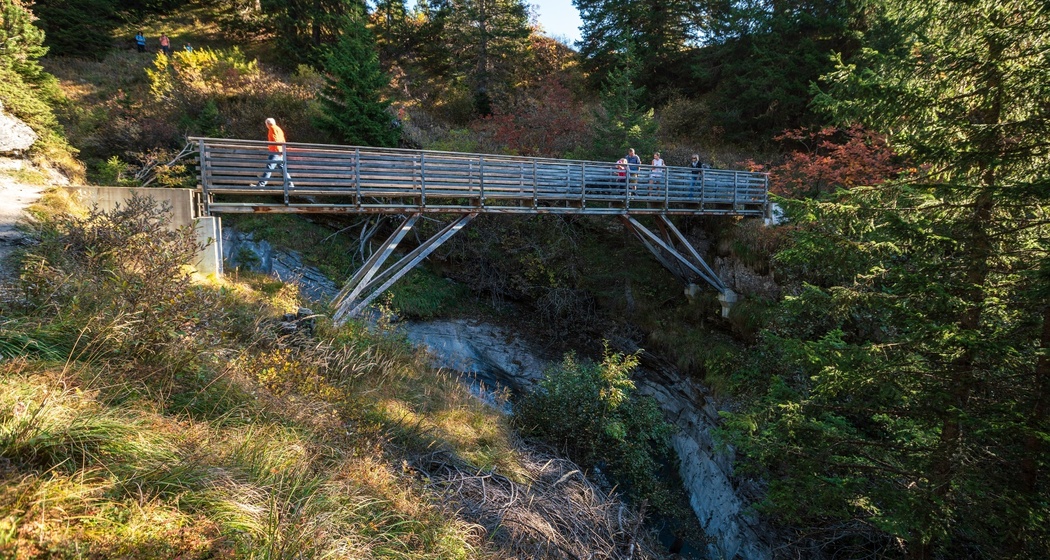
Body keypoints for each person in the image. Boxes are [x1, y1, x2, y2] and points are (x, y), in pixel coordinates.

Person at [256, 118, 295, 188]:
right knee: (282, 169)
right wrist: (282, 151)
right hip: (280, 151)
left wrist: (277, 151)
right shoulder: (279, 129)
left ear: (267, 124)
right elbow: (283, 140)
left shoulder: (272, 129)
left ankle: (261, 185)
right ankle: (290, 184)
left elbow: (276, 140)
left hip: (275, 151)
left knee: (269, 168)